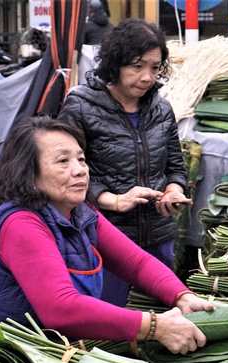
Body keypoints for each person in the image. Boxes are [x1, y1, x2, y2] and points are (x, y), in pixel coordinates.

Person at [0, 117, 214, 354]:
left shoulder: (79, 211)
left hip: (50, 341)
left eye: (81, 160)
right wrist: (153, 326)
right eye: (63, 161)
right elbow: (60, 308)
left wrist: (182, 296)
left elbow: (135, 262)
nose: (80, 170)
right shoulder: (21, 224)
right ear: (30, 174)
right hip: (4, 347)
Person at [58, 18, 190, 307]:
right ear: (115, 64)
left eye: (155, 68)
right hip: (104, 239)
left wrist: (173, 191)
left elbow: (175, 167)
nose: (147, 77)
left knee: (159, 320)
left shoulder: (162, 109)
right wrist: (115, 200)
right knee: (109, 323)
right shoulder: (80, 105)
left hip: (159, 236)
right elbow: (64, 172)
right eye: (137, 66)